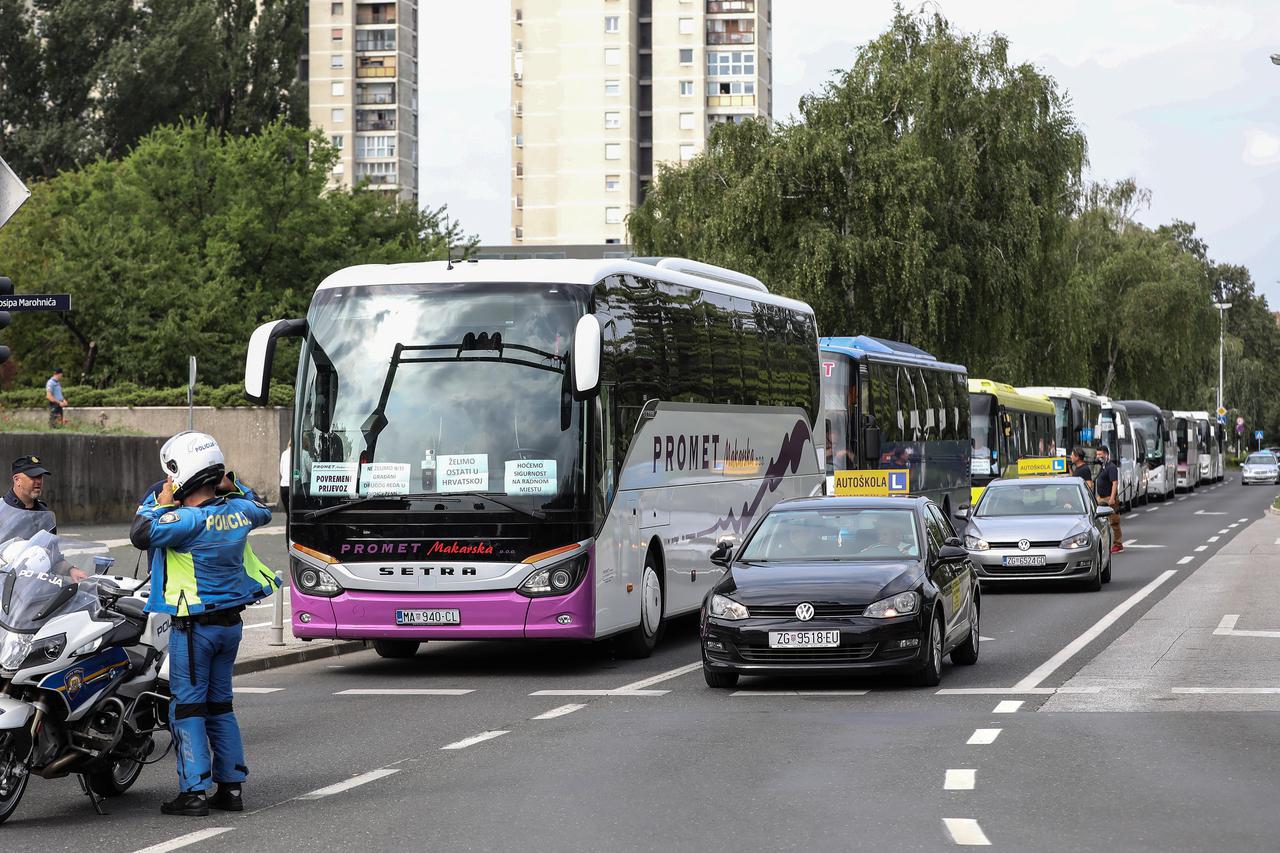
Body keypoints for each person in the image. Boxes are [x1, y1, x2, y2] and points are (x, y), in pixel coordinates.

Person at [130, 431, 279, 817]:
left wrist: (160, 502)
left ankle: (193, 792)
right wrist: (233, 484)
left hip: (194, 629)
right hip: (230, 626)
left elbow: (140, 534)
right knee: (220, 705)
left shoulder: (186, 521)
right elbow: (262, 508)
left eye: (172, 474)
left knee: (188, 708)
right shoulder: (240, 511)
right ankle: (231, 788)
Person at [1095, 445, 1123, 553]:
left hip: (1108, 498)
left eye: (1100, 454)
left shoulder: (1111, 467)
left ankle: (1118, 544)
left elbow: (1115, 483)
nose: (1098, 456)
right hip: (1101, 498)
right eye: (1097, 454)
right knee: (1100, 522)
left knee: (1114, 522)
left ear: (1106, 454)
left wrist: (1112, 498)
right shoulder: (1103, 466)